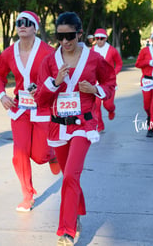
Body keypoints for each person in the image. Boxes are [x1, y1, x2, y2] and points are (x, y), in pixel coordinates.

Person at [34, 12, 116, 246]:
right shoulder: (49, 62)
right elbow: (40, 98)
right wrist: (55, 82)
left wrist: (96, 90)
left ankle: (66, 231)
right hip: (58, 127)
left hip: (83, 125)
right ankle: (76, 213)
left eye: (70, 36)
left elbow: (110, 81)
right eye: (60, 37)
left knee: (71, 175)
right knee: (68, 176)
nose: (65, 42)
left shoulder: (93, 59)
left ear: (80, 33)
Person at [0, 10, 60, 212]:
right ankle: (27, 195)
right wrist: (2, 95)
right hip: (20, 109)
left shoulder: (48, 52)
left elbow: (58, 78)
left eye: (27, 22)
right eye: (19, 22)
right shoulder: (9, 52)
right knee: (19, 152)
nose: (22, 25)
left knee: (39, 156)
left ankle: (53, 154)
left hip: (43, 109)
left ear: (35, 28)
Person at [92, 28, 123, 132]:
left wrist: (113, 74)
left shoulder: (112, 50)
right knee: (96, 106)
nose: (99, 41)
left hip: (108, 83)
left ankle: (111, 110)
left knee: (107, 104)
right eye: (97, 38)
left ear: (106, 39)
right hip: (96, 83)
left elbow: (119, 64)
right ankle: (99, 126)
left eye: (102, 38)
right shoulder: (92, 50)